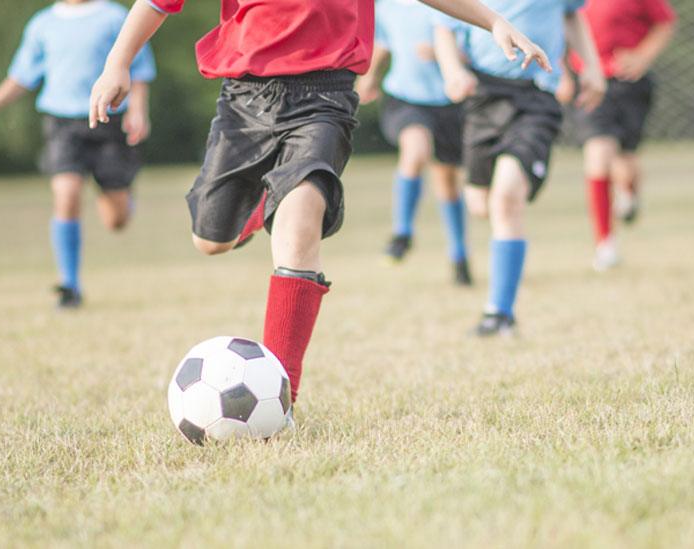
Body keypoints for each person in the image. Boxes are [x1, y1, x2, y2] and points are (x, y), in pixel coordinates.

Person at [87, 0, 551, 417]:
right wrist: (116, 64)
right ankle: (259, 205)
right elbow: (157, 3)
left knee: (299, 221)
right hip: (245, 99)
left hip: (324, 97)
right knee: (210, 240)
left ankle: (282, 393)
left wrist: (493, 21)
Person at [0, 0, 156, 309]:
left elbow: (139, 68)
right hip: (62, 124)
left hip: (109, 122)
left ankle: (119, 192)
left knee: (116, 219)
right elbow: (20, 77)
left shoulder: (115, 16)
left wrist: (139, 111)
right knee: (66, 193)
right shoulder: (42, 24)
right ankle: (70, 285)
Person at [434, 0, 606, 337]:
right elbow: (444, 26)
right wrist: (453, 71)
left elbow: (573, 16)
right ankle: (501, 292)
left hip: (537, 96)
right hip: (484, 95)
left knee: (506, 197)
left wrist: (593, 67)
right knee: (480, 205)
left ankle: (499, 314)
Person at [356, 0, 473, 286]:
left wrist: (443, 54)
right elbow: (384, 42)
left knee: (446, 180)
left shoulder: (457, 5)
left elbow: (476, 51)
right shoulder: (388, 6)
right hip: (405, 98)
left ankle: (459, 255)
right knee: (416, 149)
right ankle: (402, 232)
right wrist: (370, 78)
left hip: (448, 102)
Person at [561, 0, 676, 272]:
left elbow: (665, 23)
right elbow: (558, 25)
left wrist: (642, 56)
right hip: (590, 81)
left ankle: (629, 194)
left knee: (625, 160)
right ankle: (605, 244)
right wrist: (564, 74)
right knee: (598, 153)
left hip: (628, 83)